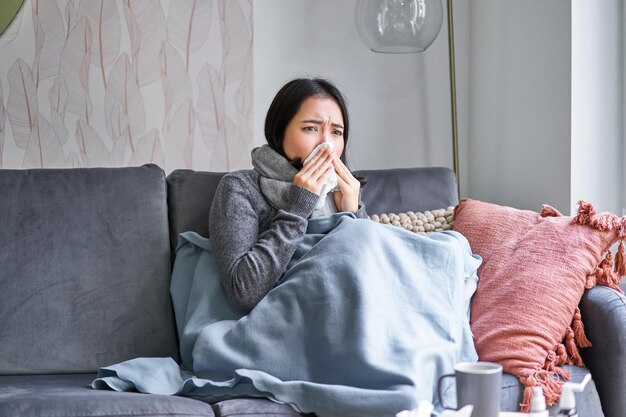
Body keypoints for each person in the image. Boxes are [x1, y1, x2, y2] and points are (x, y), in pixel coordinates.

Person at [209, 78, 368, 312]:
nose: (326, 144)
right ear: (280, 130)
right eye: (311, 128)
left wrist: (353, 215)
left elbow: (368, 277)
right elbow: (244, 291)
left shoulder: (343, 192)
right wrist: (298, 208)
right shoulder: (240, 187)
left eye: (336, 132)